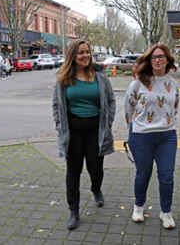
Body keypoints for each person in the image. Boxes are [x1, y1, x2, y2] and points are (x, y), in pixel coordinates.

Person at [52, 39, 116, 230]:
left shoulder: (100, 76)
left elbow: (111, 101)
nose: (85, 55)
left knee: (96, 170)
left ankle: (96, 189)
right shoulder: (63, 77)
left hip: (96, 129)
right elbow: (56, 105)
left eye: (87, 52)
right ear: (73, 55)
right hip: (74, 130)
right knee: (73, 172)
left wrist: (108, 122)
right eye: (81, 52)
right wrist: (59, 126)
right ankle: (74, 210)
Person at [124, 44, 180, 229]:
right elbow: (129, 107)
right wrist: (134, 128)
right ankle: (139, 206)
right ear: (149, 60)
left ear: (167, 60)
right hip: (141, 136)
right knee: (143, 174)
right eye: (154, 57)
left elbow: (174, 108)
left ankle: (166, 212)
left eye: (161, 56)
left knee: (167, 176)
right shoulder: (138, 82)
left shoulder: (173, 84)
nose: (157, 60)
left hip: (167, 136)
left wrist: (165, 122)